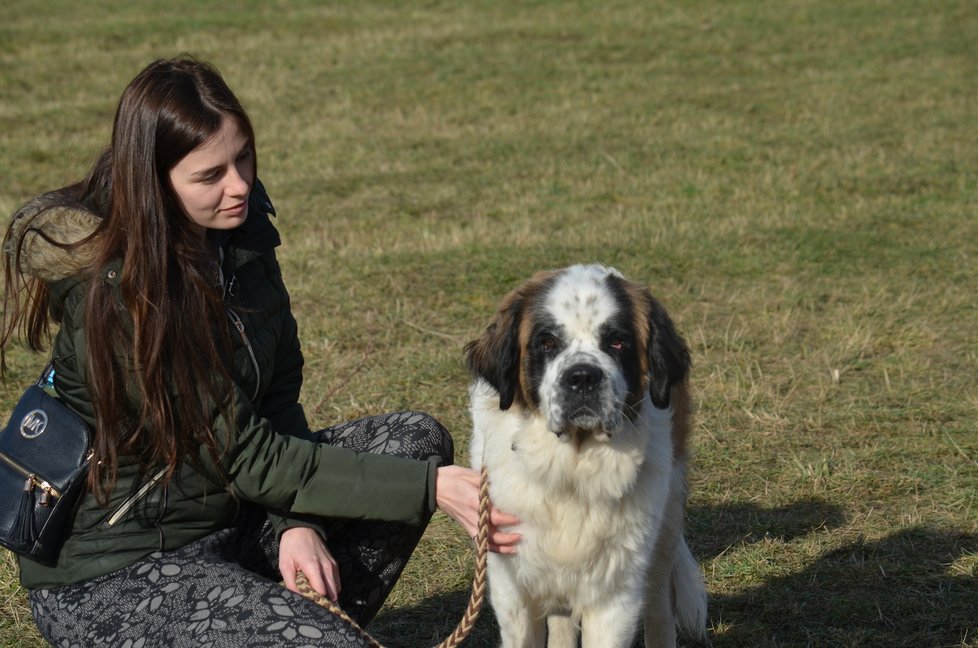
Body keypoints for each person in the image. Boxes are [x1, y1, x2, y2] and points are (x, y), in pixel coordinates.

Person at [1, 57, 519, 647]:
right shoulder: (123, 294)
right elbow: (248, 457)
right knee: (412, 487)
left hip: (223, 517)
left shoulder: (239, 236)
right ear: (155, 184)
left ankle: (287, 625)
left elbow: (276, 399)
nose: (240, 184)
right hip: (115, 573)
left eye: (243, 156)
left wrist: (294, 522)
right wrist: (431, 488)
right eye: (210, 174)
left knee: (414, 443)